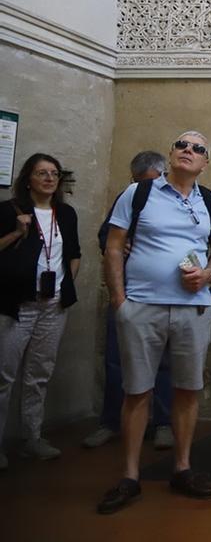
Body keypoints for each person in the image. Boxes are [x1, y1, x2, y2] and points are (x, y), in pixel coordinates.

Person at [96, 132, 211, 513]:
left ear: (205, 163)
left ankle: (182, 468)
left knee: (188, 389)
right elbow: (114, 245)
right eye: (182, 145)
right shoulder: (138, 194)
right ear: (171, 154)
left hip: (193, 308)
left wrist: (208, 275)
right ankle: (131, 475)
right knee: (137, 391)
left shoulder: (210, 200)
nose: (189, 150)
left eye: (198, 148)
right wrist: (120, 301)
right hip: (142, 307)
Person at [84, 150, 175, 451]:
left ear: (163, 175)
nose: (145, 187)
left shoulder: (180, 199)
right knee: (116, 358)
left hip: (165, 295)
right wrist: (117, 248)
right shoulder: (130, 196)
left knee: (162, 362)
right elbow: (104, 237)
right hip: (127, 293)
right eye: (139, 181)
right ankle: (111, 422)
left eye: (150, 181)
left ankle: (162, 423)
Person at [0, 153, 81, 469]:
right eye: (41, 173)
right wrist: (16, 233)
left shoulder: (67, 214)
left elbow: (73, 253)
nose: (49, 178)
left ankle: (32, 437)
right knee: (4, 376)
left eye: (54, 173)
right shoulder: (9, 211)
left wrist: (65, 284)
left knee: (39, 373)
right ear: (28, 178)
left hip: (53, 306)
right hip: (17, 305)